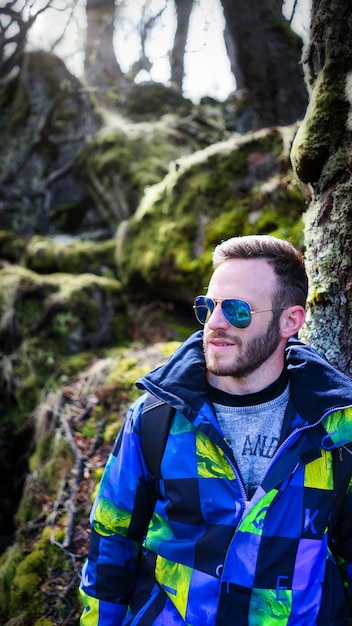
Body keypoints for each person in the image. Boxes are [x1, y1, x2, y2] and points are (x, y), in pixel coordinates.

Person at [80, 234, 352, 625]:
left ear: (290, 321)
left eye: (238, 310)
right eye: (208, 307)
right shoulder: (157, 418)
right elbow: (111, 540)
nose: (216, 323)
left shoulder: (338, 427)